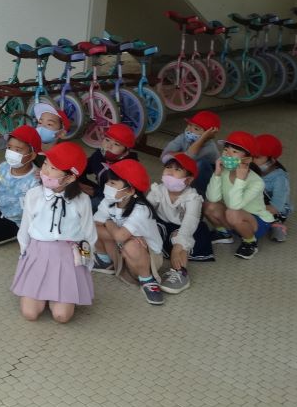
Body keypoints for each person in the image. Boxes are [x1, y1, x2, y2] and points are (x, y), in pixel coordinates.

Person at [12, 142, 97, 323]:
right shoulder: (34, 195)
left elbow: (88, 234)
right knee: (30, 314)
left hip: (68, 257)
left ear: (70, 178)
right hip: (38, 253)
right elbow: (25, 227)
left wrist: (86, 263)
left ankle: (58, 294)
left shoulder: (82, 200)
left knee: (62, 316)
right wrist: (24, 254)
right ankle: (43, 292)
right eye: (45, 164)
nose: (45, 171)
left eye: (53, 168)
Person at [93, 159, 165, 305]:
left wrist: (109, 222)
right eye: (108, 182)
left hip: (148, 256)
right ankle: (105, 261)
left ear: (131, 190)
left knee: (131, 245)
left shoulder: (141, 209)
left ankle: (147, 279)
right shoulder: (109, 201)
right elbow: (96, 224)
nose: (107, 186)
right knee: (94, 229)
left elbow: (120, 236)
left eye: (113, 183)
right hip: (121, 246)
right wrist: (118, 233)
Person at [203, 131, 273, 259]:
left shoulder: (257, 182)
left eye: (234, 151)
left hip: (256, 221)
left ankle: (250, 242)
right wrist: (217, 174)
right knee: (208, 205)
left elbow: (234, 205)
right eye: (226, 149)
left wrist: (240, 180)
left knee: (232, 213)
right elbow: (213, 198)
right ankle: (224, 233)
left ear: (248, 159)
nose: (227, 154)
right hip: (234, 215)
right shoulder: (224, 172)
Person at [146, 153, 208, 293]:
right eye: (168, 167)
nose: (170, 172)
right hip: (163, 226)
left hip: (185, 229)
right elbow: (146, 210)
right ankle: (147, 266)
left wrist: (178, 246)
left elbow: (189, 224)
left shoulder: (192, 197)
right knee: (149, 229)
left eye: (177, 169)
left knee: (179, 237)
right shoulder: (158, 190)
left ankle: (180, 272)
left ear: (188, 179)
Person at [160, 110, 220, 195]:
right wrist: (176, 156)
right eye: (189, 125)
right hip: (188, 172)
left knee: (200, 164)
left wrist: (202, 139)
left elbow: (187, 159)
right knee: (173, 164)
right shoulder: (183, 137)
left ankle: (199, 195)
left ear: (208, 135)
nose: (189, 130)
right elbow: (164, 156)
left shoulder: (210, 148)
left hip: (204, 178)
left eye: (196, 129)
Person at [80, 123, 139, 207]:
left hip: (116, 200)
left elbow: (114, 194)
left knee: (91, 203)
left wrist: (89, 190)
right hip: (101, 190)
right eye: (107, 140)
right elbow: (83, 167)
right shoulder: (99, 155)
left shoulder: (129, 168)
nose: (108, 146)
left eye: (116, 144)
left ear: (126, 150)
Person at [254, 134, 293, 242]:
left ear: (271, 160)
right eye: (250, 155)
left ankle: (276, 224)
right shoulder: (251, 168)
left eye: (257, 157)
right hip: (254, 203)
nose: (251, 160)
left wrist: (249, 209)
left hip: (275, 210)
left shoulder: (280, 178)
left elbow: (276, 207)